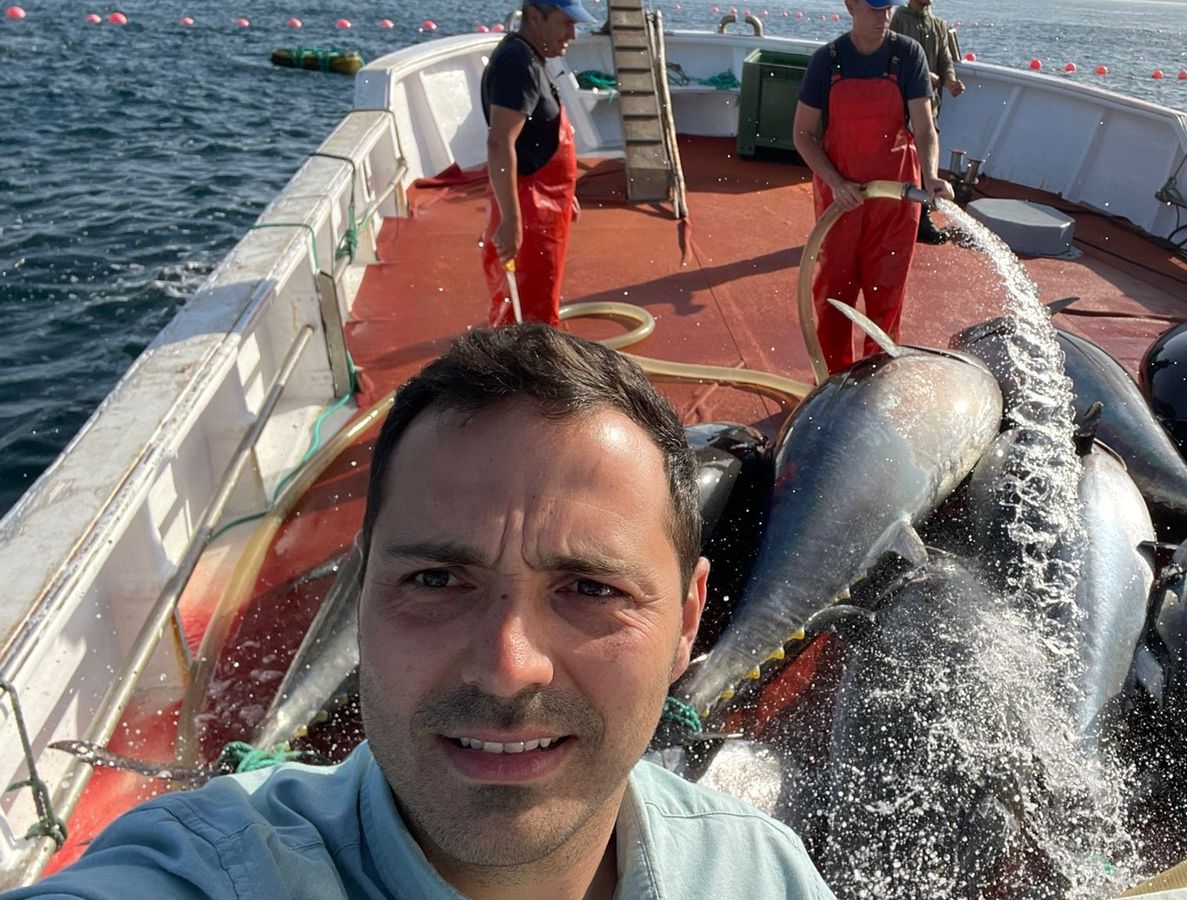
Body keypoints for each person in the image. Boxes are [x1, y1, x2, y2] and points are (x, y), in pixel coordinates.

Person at [7, 325, 837, 899]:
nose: (508, 665)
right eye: (438, 580)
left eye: (592, 588)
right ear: (361, 597)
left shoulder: (761, 872)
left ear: (688, 619)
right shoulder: (213, 871)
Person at [793, 0, 956, 375]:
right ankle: (832, 382)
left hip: (895, 201)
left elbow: (925, 127)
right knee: (834, 295)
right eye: (874, 5)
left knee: (886, 299)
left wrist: (930, 175)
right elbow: (802, 134)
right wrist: (836, 183)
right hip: (841, 200)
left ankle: (876, 383)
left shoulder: (907, 54)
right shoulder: (827, 61)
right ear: (851, 5)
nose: (884, 14)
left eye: (889, 5)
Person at [480, 0, 594, 328]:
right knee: (526, 316)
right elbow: (500, 142)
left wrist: (563, 191)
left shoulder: (530, 58)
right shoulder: (519, 63)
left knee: (537, 305)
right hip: (530, 212)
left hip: (545, 205)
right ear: (533, 16)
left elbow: (534, 138)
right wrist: (512, 223)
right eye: (565, 23)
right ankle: (524, 376)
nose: (572, 34)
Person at [890, 0, 963, 244]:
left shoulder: (938, 25)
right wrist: (921, 74)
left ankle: (922, 219)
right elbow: (889, 53)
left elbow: (945, 59)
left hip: (928, 105)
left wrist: (950, 81)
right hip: (899, 103)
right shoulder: (898, 19)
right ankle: (892, 216)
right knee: (896, 161)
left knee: (924, 165)